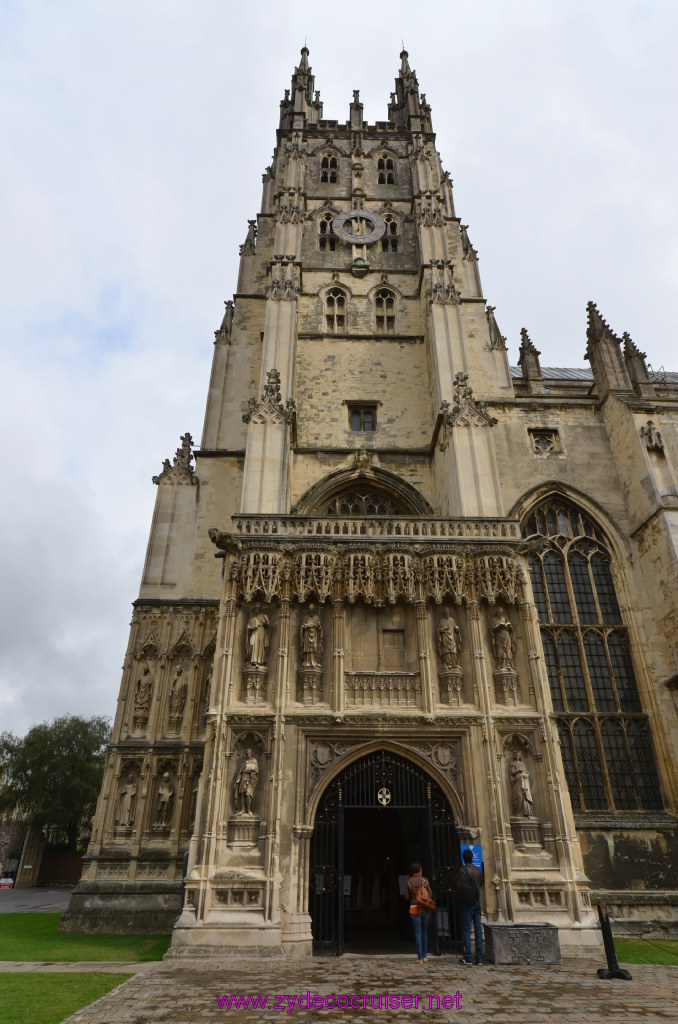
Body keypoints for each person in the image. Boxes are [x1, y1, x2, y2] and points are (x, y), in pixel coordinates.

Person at [459, 848, 484, 965]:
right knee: (478, 929)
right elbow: (482, 883)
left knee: (466, 929)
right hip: (477, 902)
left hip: (467, 903)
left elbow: (459, 886)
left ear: (463, 858)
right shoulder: (478, 870)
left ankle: (468, 957)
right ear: (472, 858)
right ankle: (479, 958)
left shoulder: (463, 870)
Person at [404, 861, 432, 963]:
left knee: (417, 932)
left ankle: (419, 957)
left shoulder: (409, 881)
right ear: (420, 870)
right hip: (424, 907)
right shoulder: (425, 880)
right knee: (425, 931)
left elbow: (406, 897)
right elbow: (430, 893)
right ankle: (424, 956)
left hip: (414, 907)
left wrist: (413, 896)